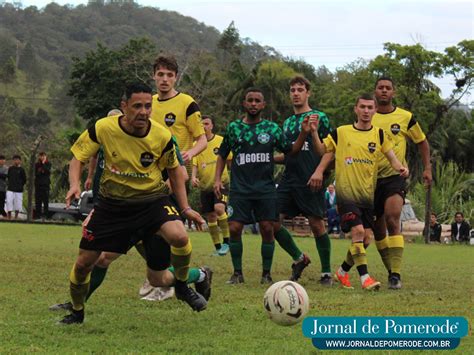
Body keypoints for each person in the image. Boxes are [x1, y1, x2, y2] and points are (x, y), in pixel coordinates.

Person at [58, 83, 208, 325]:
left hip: (152, 203)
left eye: (148, 106)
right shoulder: (103, 128)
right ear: (124, 106)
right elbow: (78, 157)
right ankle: (76, 311)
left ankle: (182, 286)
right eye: (137, 106)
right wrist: (74, 184)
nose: (143, 111)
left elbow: (175, 172)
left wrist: (186, 208)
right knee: (85, 263)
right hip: (113, 207)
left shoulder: (162, 136)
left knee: (179, 237)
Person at [311, 93, 409, 291]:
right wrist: (313, 132)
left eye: (369, 108)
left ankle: (342, 271)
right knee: (357, 232)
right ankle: (365, 278)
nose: (366, 111)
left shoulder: (380, 134)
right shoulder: (341, 132)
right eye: (362, 107)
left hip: (367, 196)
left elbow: (392, 158)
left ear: (374, 110)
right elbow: (322, 151)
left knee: (366, 238)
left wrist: (401, 168)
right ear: (355, 109)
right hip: (347, 195)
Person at [214, 87, 310, 284]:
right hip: (240, 189)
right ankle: (237, 273)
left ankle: (266, 274)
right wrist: (217, 179)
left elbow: (291, 150)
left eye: (258, 101)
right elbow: (222, 154)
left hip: (265, 189)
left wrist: (303, 133)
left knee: (268, 227)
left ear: (263, 105)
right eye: (250, 100)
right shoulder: (234, 128)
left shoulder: (272, 129)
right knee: (234, 228)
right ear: (244, 103)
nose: (254, 104)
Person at [372, 77, 432, 289]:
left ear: (394, 92)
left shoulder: (405, 117)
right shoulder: (368, 116)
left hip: (395, 177)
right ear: (375, 92)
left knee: (392, 218)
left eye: (388, 88)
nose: (385, 91)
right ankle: (390, 269)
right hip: (369, 180)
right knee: (378, 231)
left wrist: (427, 168)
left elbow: (422, 142)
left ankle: (396, 275)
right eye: (381, 88)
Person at [273, 76, 334, 285]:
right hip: (288, 179)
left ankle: (326, 272)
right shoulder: (288, 122)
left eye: (300, 89)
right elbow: (288, 153)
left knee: (316, 224)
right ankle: (299, 258)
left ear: (308, 93)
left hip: (311, 178)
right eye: (292, 90)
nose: (296, 93)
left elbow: (328, 150)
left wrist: (319, 171)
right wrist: (265, 158)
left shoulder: (320, 117)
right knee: (272, 221)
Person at [150, 55, 207, 171]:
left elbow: (202, 140)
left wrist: (190, 153)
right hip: (153, 170)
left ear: (176, 77)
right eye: (160, 74)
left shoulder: (187, 103)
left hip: (180, 170)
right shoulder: (148, 102)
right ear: (154, 76)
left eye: (170, 75)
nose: (165, 79)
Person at [191, 115, 231, 256]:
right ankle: (218, 247)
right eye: (202, 124)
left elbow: (230, 160)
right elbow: (194, 163)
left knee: (219, 208)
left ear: (212, 126)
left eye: (207, 124)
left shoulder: (220, 141)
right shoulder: (197, 145)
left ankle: (227, 242)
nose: (204, 126)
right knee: (211, 217)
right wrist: (193, 177)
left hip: (221, 183)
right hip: (205, 186)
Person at [6, 155, 26, 220]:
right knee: (9, 202)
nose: (16, 161)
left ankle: (16, 217)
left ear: (20, 161)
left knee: (18, 204)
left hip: (19, 190)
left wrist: (20, 185)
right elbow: (8, 177)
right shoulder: (10, 168)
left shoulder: (22, 170)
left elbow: (24, 180)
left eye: (17, 160)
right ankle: (9, 217)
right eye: (15, 160)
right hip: (10, 189)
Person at [34, 152, 52, 219]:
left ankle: (45, 215)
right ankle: (37, 215)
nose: (42, 157)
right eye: (41, 156)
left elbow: (48, 172)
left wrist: (44, 164)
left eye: (43, 156)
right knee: (38, 201)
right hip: (38, 185)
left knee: (45, 201)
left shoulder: (48, 164)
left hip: (45, 185)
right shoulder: (37, 165)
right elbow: (37, 174)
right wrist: (41, 166)